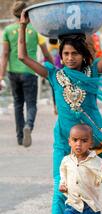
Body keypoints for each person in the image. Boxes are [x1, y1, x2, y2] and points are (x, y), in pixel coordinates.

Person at [18, 1, 102, 214]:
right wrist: (22, 26)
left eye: (74, 53)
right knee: (60, 188)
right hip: (62, 142)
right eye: (65, 54)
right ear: (60, 56)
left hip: (88, 143)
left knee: (86, 189)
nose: (70, 58)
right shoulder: (54, 75)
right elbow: (22, 57)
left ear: (82, 54)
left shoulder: (93, 71)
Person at [0, 1, 54, 147]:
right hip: (30, 71)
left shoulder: (8, 30)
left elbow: (4, 54)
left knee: (18, 104)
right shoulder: (35, 30)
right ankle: (28, 125)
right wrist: (54, 68)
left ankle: (19, 137)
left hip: (13, 72)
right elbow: (46, 53)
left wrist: (0, 76)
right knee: (31, 103)